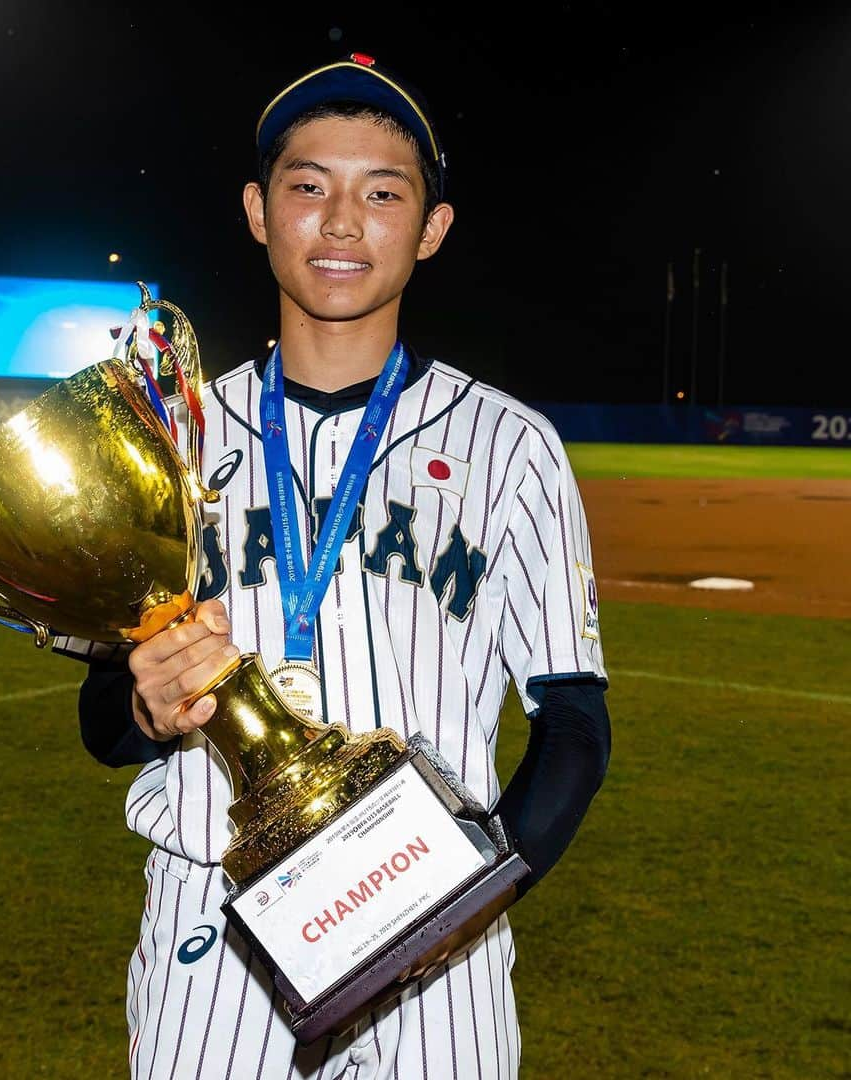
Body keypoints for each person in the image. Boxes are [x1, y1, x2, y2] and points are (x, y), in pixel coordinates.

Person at [70, 54, 611, 1079]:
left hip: (440, 939)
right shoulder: (171, 442)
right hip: (215, 933)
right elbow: (105, 721)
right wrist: (144, 709)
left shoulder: (512, 448)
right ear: (258, 211)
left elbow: (574, 726)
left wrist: (457, 905)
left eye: (382, 193)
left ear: (432, 228)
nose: (343, 222)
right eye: (309, 187)